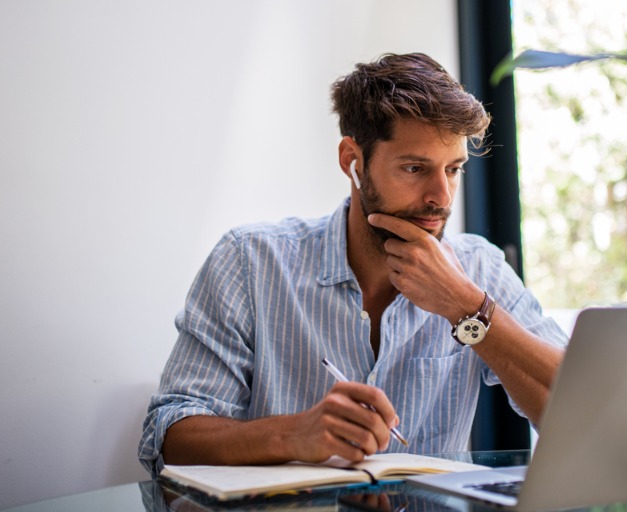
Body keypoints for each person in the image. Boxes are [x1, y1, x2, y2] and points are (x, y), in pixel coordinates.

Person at [138, 53, 568, 474]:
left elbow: (577, 411)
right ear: (353, 161)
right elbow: (170, 436)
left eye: (453, 169)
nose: (442, 196)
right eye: (415, 168)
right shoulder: (250, 262)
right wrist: (293, 435)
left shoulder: (480, 270)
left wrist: (467, 307)